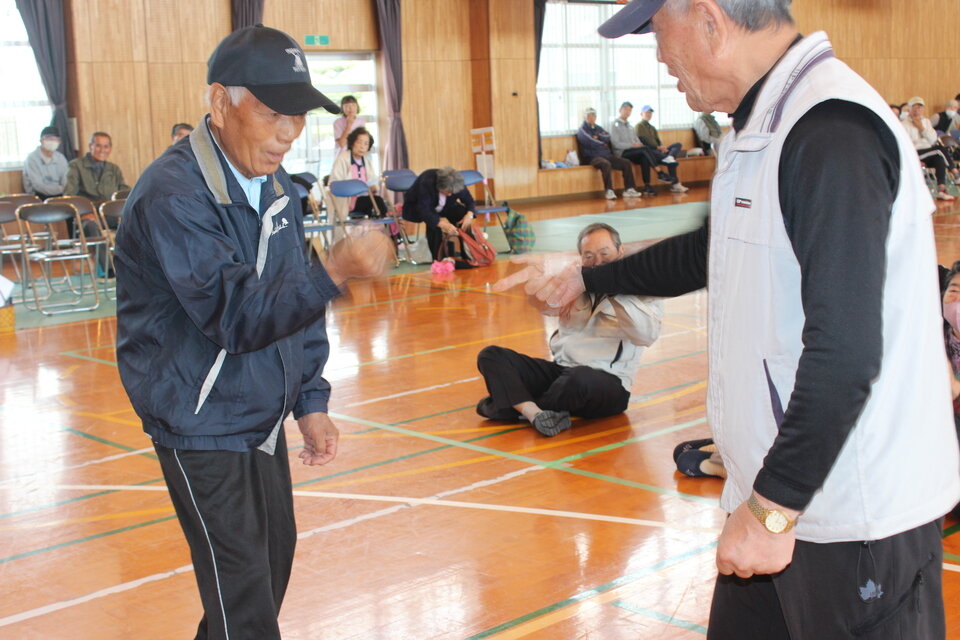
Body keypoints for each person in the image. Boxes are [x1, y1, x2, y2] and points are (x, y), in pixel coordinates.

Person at [495, 2, 960, 638]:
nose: (659, 56)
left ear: (711, 21)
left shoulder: (830, 130)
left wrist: (774, 507)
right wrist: (588, 278)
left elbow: (848, 349)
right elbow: (711, 249)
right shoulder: (764, 126)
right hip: (776, 501)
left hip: (847, 516)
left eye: (658, 33)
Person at [113, 25, 394, 640]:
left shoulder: (275, 186)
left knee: (268, 568)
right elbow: (237, 314)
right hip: (198, 415)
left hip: (259, 409)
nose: (289, 133)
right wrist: (334, 269)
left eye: (297, 116)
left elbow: (295, 301)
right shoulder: (173, 195)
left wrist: (310, 399)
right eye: (271, 113)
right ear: (220, 103)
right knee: (243, 597)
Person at [477, 223, 662, 436]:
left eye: (604, 253)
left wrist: (613, 288)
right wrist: (542, 286)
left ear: (620, 251)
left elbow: (646, 335)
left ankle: (515, 407)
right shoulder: (575, 284)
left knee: (580, 378)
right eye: (589, 256)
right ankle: (534, 413)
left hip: (608, 384)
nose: (597, 262)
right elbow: (545, 306)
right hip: (561, 374)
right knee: (492, 355)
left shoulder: (644, 289)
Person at [401, 166, 478, 262]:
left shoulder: (457, 183)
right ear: (439, 187)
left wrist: (469, 215)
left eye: (452, 192)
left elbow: (469, 201)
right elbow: (425, 210)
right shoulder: (427, 182)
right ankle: (438, 259)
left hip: (446, 206)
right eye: (448, 192)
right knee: (434, 224)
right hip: (418, 207)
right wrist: (441, 224)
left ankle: (469, 254)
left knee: (462, 215)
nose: (450, 194)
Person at [576, 107, 641, 200]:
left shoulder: (599, 128)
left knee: (626, 163)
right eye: (588, 115)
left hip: (606, 155)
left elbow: (607, 136)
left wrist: (598, 137)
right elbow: (590, 141)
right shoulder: (582, 130)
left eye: (593, 115)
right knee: (605, 164)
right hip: (591, 157)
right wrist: (601, 142)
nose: (591, 117)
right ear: (585, 117)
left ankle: (629, 189)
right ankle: (609, 190)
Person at [328, 127, 388, 222]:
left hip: (364, 198)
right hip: (347, 201)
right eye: (359, 142)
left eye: (366, 143)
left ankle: (381, 228)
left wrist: (373, 187)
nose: (362, 146)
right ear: (352, 143)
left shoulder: (366, 160)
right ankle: (388, 229)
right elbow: (335, 184)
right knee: (378, 202)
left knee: (377, 204)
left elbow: (373, 180)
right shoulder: (342, 159)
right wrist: (355, 188)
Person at [903, 96, 957, 200]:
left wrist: (922, 129)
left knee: (939, 158)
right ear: (909, 109)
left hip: (929, 151)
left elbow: (933, 139)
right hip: (914, 153)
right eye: (915, 107)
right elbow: (907, 143)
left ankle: (941, 190)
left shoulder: (926, 122)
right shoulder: (904, 124)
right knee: (939, 149)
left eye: (920, 107)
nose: (917, 110)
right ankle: (955, 173)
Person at [64, 131, 129, 204]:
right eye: (98, 146)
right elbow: (69, 195)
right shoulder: (76, 166)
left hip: (110, 209)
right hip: (87, 210)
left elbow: (124, 193)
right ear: (90, 146)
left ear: (110, 149)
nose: (102, 150)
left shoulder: (114, 169)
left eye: (106, 147)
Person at [635, 105, 689, 192]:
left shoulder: (652, 127)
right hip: (650, 152)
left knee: (677, 145)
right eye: (647, 112)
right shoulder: (639, 126)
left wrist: (662, 147)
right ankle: (675, 184)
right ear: (641, 114)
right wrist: (658, 147)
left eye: (650, 113)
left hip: (659, 151)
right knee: (672, 162)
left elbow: (658, 141)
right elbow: (643, 143)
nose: (649, 114)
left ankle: (670, 157)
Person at [609, 101, 658, 195]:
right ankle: (658, 172)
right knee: (645, 150)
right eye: (625, 109)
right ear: (620, 110)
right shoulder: (614, 125)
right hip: (622, 152)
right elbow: (615, 144)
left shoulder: (630, 126)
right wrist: (631, 145)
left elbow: (637, 140)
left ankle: (647, 185)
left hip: (633, 151)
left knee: (645, 156)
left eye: (629, 110)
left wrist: (639, 144)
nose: (627, 112)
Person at [21, 126, 68, 198]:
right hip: (38, 197)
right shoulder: (32, 159)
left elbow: (66, 181)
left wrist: (64, 189)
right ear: (41, 140)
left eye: (55, 139)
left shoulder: (61, 158)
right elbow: (38, 186)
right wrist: (61, 189)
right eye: (49, 139)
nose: (52, 141)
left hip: (60, 196)